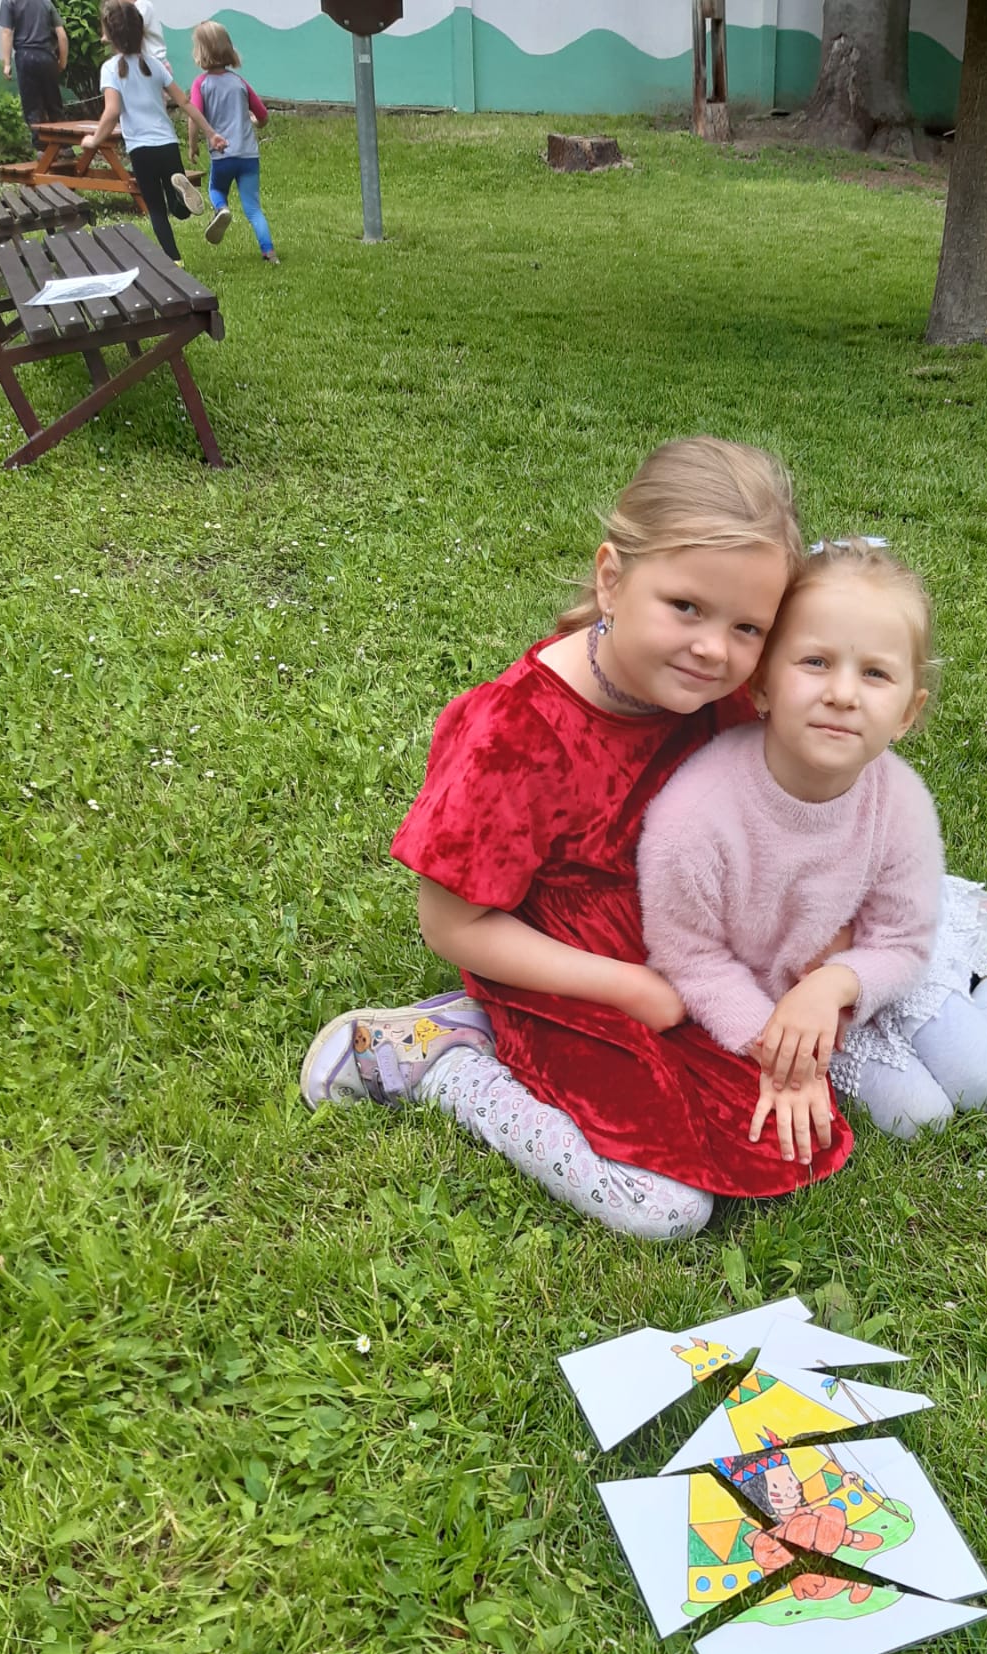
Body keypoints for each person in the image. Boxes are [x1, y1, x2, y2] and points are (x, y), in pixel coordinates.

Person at [300, 438, 852, 1241]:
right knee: (665, 1209)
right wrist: (629, 988)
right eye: (685, 607)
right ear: (611, 579)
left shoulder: (721, 696)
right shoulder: (516, 732)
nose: (713, 648)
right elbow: (451, 924)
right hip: (563, 968)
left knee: (808, 1097)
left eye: (747, 627)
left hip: (691, 945)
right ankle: (443, 1063)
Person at [637, 537, 987, 1144]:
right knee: (918, 1120)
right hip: (778, 1000)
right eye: (815, 662)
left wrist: (836, 982)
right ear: (760, 685)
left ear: (907, 713)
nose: (842, 694)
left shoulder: (900, 802)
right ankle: (962, 922)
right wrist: (774, 1048)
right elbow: (690, 957)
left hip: (875, 961)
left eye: (875, 673)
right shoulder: (694, 820)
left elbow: (901, 941)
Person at [80, 3, 224, 263]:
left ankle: (175, 259)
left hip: (141, 150)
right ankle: (181, 194)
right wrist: (211, 133)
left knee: (156, 209)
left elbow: (111, 112)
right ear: (141, 31)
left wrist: (95, 139)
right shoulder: (155, 65)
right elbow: (185, 102)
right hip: (167, 144)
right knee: (180, 211)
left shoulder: (110, 69)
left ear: (109, 35)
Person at [186, 21, 279, 263]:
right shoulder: (240, 82)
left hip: (223, 155)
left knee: (216, 189)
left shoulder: (201, 83)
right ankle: (269, 252)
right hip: (248, 156)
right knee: (253, 209)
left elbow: (194, 117)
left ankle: (222, 209)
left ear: (200, 51)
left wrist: (192, 145)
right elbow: (263, 116)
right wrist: (256, 122)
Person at [0, 0, 68, 150]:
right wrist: (62, 62)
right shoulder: (46, 2)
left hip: (25, 57)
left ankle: (42, 149)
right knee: (54, 105)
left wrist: (7, 63)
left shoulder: (9, 2)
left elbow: (7, 32)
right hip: (47, 57)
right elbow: (61, 35)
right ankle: (65, 147)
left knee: (33, 108)